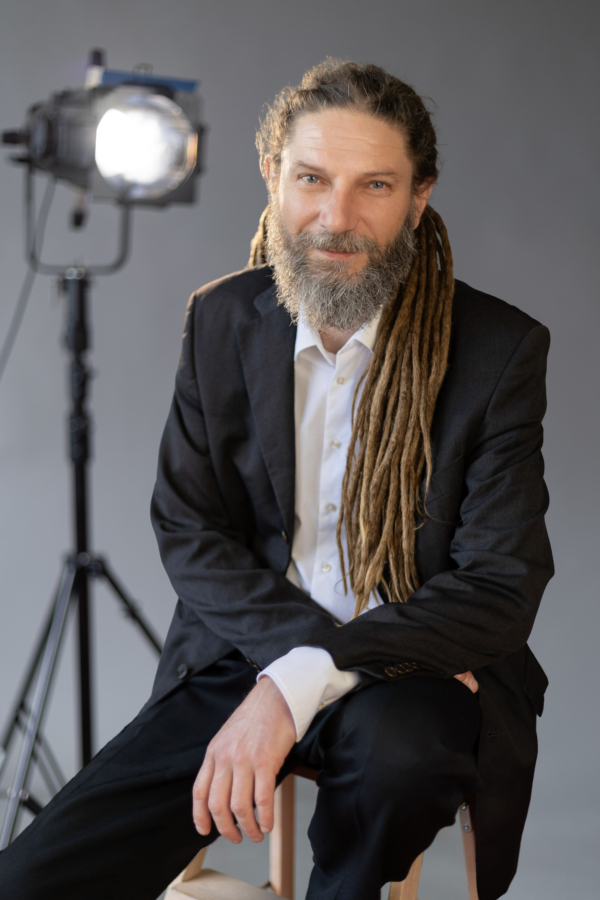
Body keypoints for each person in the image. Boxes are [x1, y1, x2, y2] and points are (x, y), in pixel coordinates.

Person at [0, 59, 553, 900]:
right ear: (272, 175)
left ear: (419, 197)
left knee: (400, 768)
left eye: (375, 185)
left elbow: (500, 586)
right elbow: (191, 529)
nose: (337, 218)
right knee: (32, 879)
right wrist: (291, 670)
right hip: (249, 652)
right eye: (312, 179)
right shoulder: (221, 318)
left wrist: (305, 679)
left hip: (420, 667)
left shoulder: (496, 350)